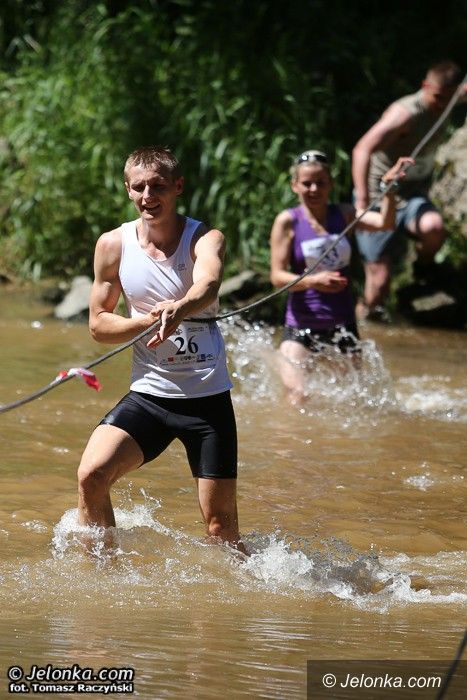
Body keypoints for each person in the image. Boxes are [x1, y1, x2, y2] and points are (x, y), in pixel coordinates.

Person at [77, 146, 244, 552]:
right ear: (128, 190)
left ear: (178, 187)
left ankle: (246, 588)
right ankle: (102, 574)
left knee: (220, 529)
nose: (148, 196)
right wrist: (147, 322)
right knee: (91, 476)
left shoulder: (205, 237)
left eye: (158, 186)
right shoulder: (113, 245)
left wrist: (180, 308)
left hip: (207, 401)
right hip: (150, 396)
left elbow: (208, 284)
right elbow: (99, 325)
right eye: (139, 187)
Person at [270, 149, 411, 404]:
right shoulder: (288, 221)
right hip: (301, 324)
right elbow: (277, 277)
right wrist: (314, 281)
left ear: (331, 185)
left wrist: (388, 190)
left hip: (342, 325)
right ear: (295, 186)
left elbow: (385, 223)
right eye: (307, 183)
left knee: (352, 402)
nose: (314, 189)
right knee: (297, 396)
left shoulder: (344, 214)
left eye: (321, 183)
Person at [352, 60, 465, 321]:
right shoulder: (405, 114)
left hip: (412, 195)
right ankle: (363, 324)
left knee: (434, 228)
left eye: (449, 99)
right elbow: (362, 149)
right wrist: (362, 200)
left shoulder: (450, 97)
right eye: (438, 97)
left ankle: (423, 268)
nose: (442, 104)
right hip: (379, 197)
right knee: (379, 284)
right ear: (425, 86)